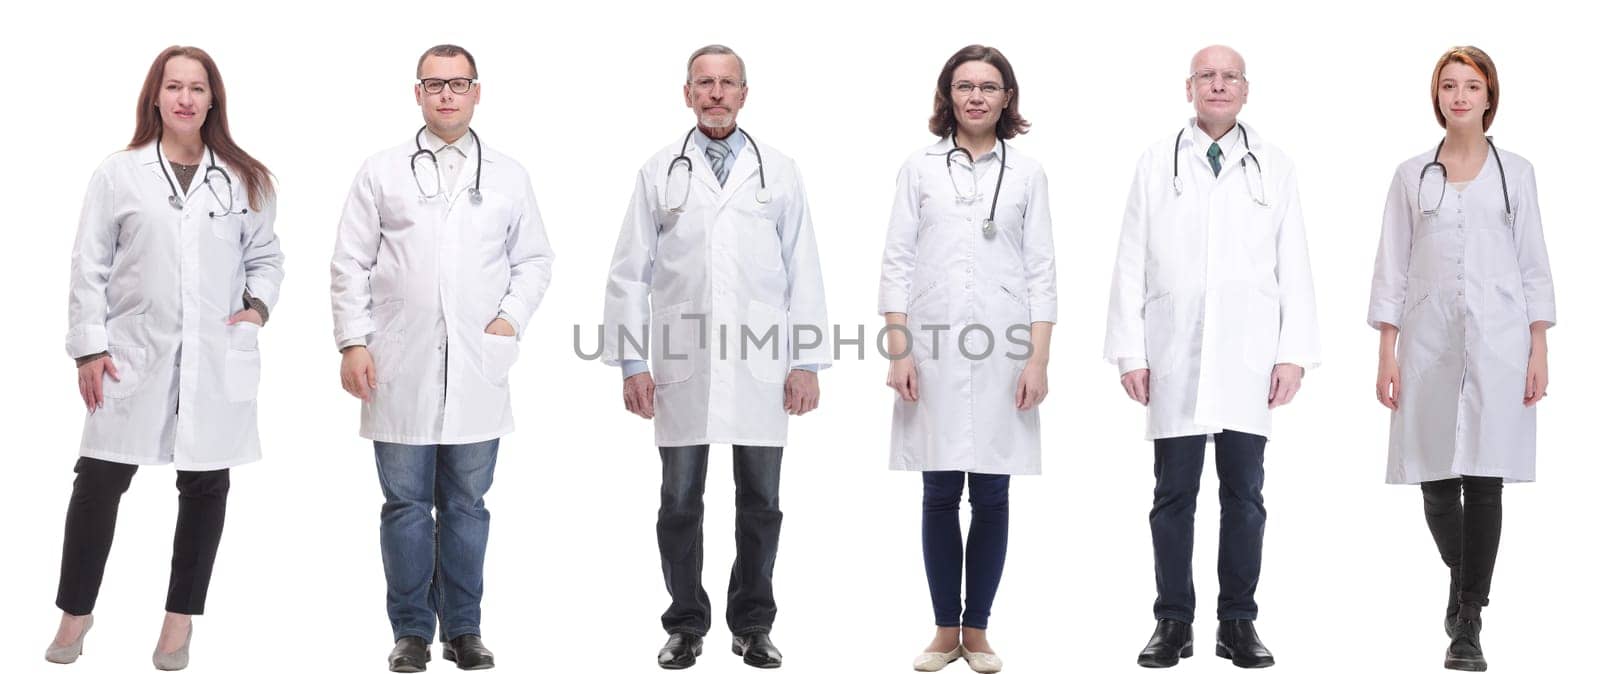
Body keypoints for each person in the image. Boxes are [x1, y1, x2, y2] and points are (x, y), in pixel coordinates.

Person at [46, 45, 284, 671]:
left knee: (206, 484)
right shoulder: (118, 173)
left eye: (197, 88)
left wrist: (256, 307)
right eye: (173, 86)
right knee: (98, 480)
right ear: (155, 96)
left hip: (215, 357)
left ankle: (178, 623)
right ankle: (76, 610)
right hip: (130, 355)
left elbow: (267, 257)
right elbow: (88, 266)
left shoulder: (245, 178)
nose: (185, 98)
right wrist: (89, 349)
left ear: (213, 100)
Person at [601, 44, 829, 670]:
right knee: (679, 504)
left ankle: (753, 624)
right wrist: (631, 363)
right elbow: (628, 274)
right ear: (688, 93)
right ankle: (685, 624)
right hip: (682, 360)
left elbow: (802, 267)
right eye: (706, 83)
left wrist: (806, 360)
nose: (717, 93)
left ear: (745, 94)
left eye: (729, 83)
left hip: (762, 363)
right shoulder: (658, 171)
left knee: (761, 504)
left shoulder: (778, 170)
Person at [330, 43, 554, 673]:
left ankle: (464, 629)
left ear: (478, 91)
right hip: (396, 363)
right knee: (404, 507)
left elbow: (535, 259)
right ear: (418, 93)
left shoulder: (508, 174)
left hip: (480, 367)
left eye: (459, 84)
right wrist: (352, 342)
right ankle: (409, 632)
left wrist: (508, 320)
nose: (447, 95)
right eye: (435, 84)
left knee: (466, 506)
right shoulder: (381, 170)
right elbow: (350, 262)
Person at [1102, 45, 1318, 670]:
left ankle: (1238, 624)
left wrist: (1294, 352)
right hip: (1175, 350)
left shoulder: (1273, 167)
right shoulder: (1155, 163)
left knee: (1244, 497)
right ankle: (1173, 623)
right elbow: (1129, 259)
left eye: (1229, 77)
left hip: (1249, 355)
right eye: (1206, 77)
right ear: (1188, 88)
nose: (1218, 86)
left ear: (1246, 90)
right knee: (1173, 496)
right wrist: (1129, 352)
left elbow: (1294, 261)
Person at [1367, 45, 1553, 672]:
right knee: (1438, 481)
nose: (1460, 96)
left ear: (1489, 96)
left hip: (1501, 344)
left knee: (1486, 476)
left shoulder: (1517, 173)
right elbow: (1391, 265)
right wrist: (1386, 353)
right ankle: (1465, 578)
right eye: (1449, 85)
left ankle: (1467, 620)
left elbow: (1533, 265)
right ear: (1437, 96)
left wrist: (1539, 347)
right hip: (1427, 343)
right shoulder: (1411, 174)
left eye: (1472, 86)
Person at [878, 44, 1055, 674]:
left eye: (988, 86)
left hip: (1006, 348)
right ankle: (942, 630)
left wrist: (1038, 360)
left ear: (1007, 97)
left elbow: (1041, 271)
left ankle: (976, 632)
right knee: (937, 489)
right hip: (931, 346)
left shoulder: (1027, 173)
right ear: (946, 96)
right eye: (964, 86)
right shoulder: (919, 169)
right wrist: (898, 349)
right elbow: (896, 262)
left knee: (993, 493)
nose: (976, 96)